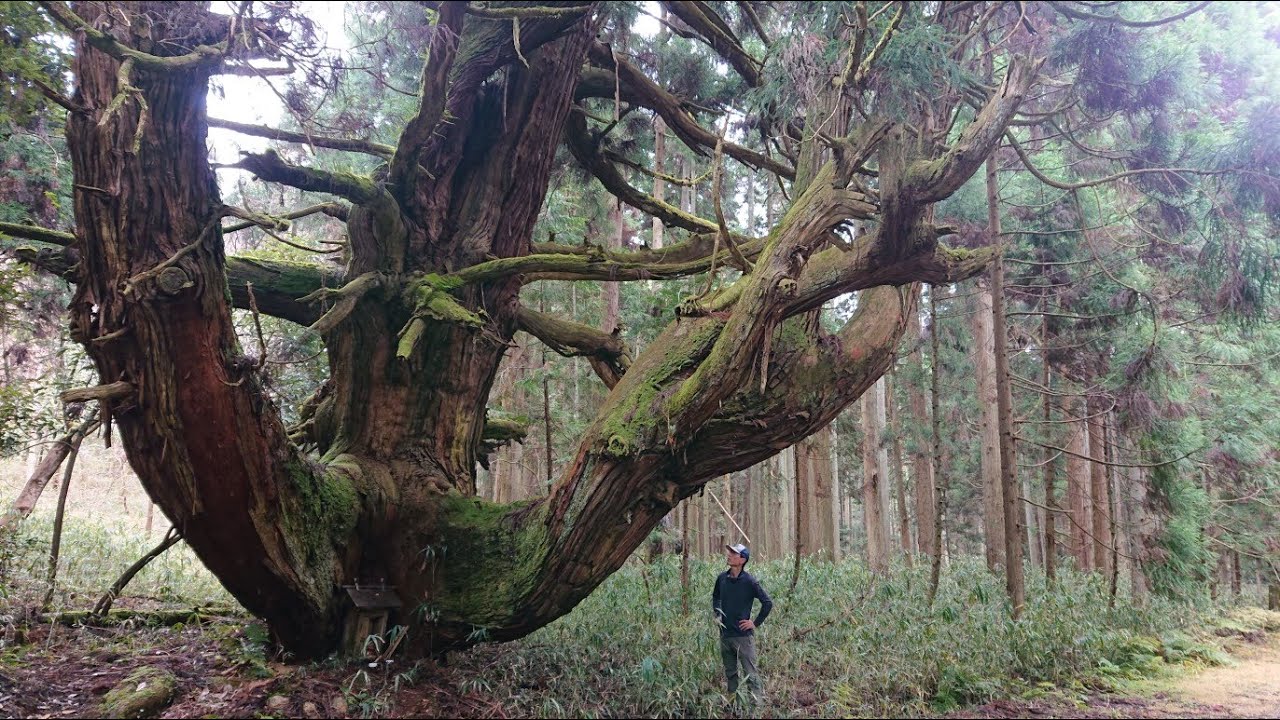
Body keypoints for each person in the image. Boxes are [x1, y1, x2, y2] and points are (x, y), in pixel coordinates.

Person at [712, 543, 773, 703]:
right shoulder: (722, 578)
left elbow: (767, 603)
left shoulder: (749, 581)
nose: (729, 555)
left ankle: (755, 708)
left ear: (742, 560)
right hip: (725, 635)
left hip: (743, 637)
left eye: (734, 554)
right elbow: (716, 597)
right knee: (730, 674)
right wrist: (718, 614)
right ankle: (734, 705)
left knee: (750, 675)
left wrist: (755, 623)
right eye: (730, 552)